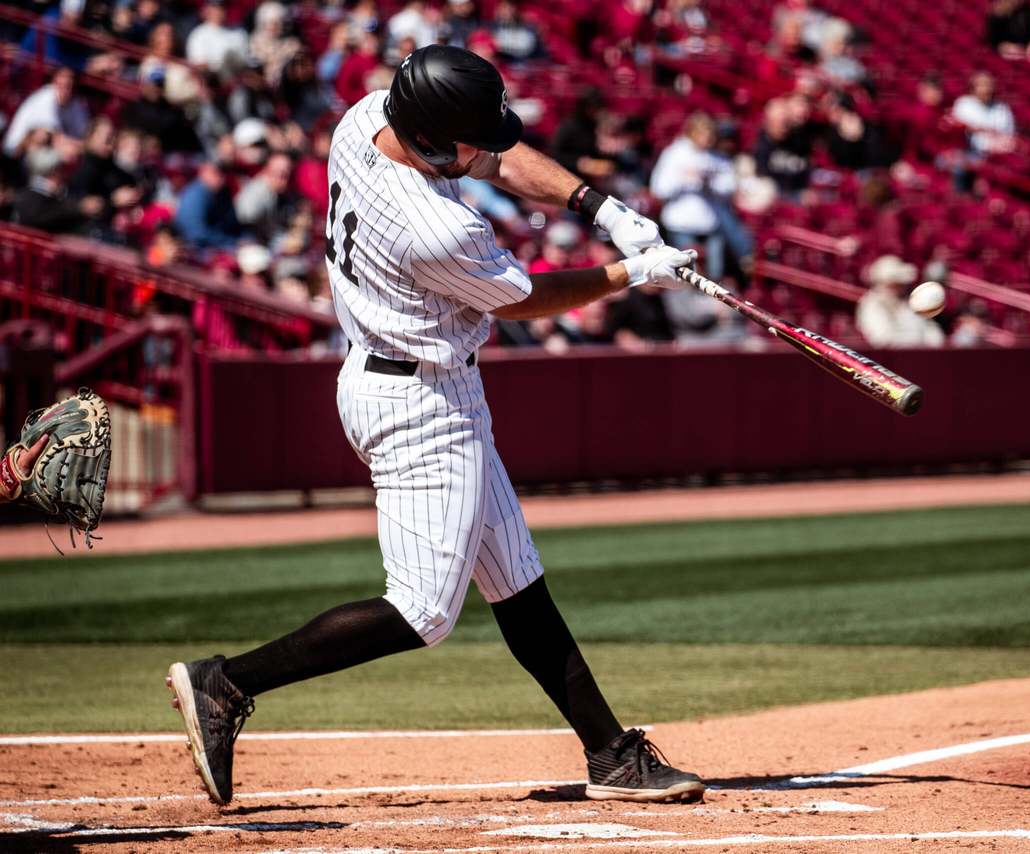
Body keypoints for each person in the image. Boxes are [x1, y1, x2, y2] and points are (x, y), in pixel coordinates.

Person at [165, 45, 705, 809]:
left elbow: (498, 159)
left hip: (426, 382)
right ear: (430, 140)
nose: (488, 149)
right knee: (421, 611)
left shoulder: (363, 121)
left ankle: (611, 755)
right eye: (470, 141)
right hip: (414, 404)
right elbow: (518, 300)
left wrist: (602, 209)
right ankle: (226, 683)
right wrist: (632, 272)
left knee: (517, 582)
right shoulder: (432, 227)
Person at [651, 112, 749, 282]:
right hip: (681, 226)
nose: (707, 140)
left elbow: (730, 187)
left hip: (711, 226)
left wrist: (709, 182)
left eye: (710, 135)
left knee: (713, 279)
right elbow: (659, 189)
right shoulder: (675, 153)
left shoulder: (718, 157)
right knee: (686, 277)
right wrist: (684, 179)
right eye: (703, 134)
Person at [855, 255, 944, 348]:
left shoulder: (911, 301)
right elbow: (882, 338)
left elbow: (930, 329)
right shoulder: (872, 304)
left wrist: (932, 343)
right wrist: (918, 342)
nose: (902, 287)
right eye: (896, 284)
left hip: (922, 357)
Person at [2, 68, 90, 157]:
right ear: (54, 83)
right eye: (62, 85)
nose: (66, 90)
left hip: (49, 151)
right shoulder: (45, 97)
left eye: (70, 86)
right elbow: (53, 139)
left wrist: (85, 146)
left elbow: (86, 135)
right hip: (14, 151)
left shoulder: (76, 104)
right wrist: (84, 147)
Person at [11, 150, 103, 234]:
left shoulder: (59, 193)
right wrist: (79, 208)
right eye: (62, 170)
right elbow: (44, 217)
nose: (66, 174)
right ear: (52, 172)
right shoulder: (31, 196)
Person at [753, 95, 814, 200]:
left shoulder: (800, 143)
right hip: (769, 197)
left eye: (786, 122)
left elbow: (803, 177)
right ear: (768, 121)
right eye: (779, 121)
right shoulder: (758, 144)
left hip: (794, 196)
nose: (783, 127)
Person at [172, 161, 241, 249]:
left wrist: (246, 238)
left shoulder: (222, 193)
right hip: (197, 250)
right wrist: (233, 242)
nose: (221, 178)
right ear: (203, 172)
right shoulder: (195, 196)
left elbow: (233, 224)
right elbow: (196, 234)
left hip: (222, 244)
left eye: (223, 173)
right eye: (215, 173)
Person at [186, 0, 250, 80]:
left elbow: (246, 60)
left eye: (221, 7)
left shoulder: (239, 32)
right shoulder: (198, 35)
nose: (218, 12)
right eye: (215, 7)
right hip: (213, 81)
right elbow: (197, 65)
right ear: (207, 9)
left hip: (238, 79)